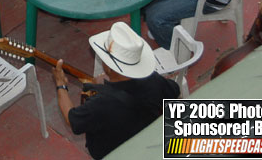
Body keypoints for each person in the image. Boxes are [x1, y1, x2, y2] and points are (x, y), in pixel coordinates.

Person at [52, 22, 179, 160]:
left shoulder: (101, 103)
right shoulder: (152, 79)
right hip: (147, 142)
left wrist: (61, 85)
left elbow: (73, 120)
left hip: (112, 153)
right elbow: (174, 90)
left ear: (109, 67)